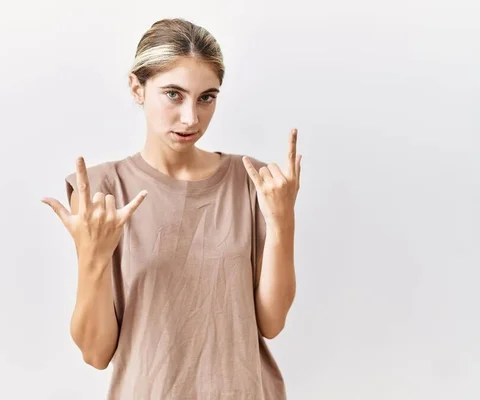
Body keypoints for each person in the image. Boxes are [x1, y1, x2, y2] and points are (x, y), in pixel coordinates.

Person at [42, 17, 302, 400]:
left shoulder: (255, 182)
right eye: (173, 94)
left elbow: (271, 322)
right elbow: (96, 354)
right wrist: (94, 258)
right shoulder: (102, 191)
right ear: (137, 87)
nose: (191, 118)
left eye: (206, 98)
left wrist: (282, 224)